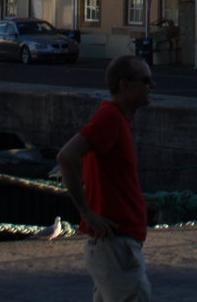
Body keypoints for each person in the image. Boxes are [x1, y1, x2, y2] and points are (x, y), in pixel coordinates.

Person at [57, 55, 156, 301]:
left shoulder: (117, 119)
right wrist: (87, 213)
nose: (151, 86)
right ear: (125, 85)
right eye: (145, 80)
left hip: (113, 246)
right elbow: (67, 156)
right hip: (116, 246)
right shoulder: (110, 119)